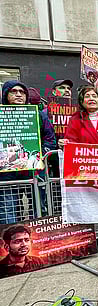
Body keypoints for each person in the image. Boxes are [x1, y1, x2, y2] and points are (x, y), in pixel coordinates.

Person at [1, 81, 57, 224]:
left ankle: (39, 242)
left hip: (35, 171)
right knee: (9, 210)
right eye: (14, 91)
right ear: (5, 94)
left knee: (39, 209)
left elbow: (50, 140)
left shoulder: (39, 116)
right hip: (7, 174)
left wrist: (41, 153)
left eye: (22, 92)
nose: (19, 94)